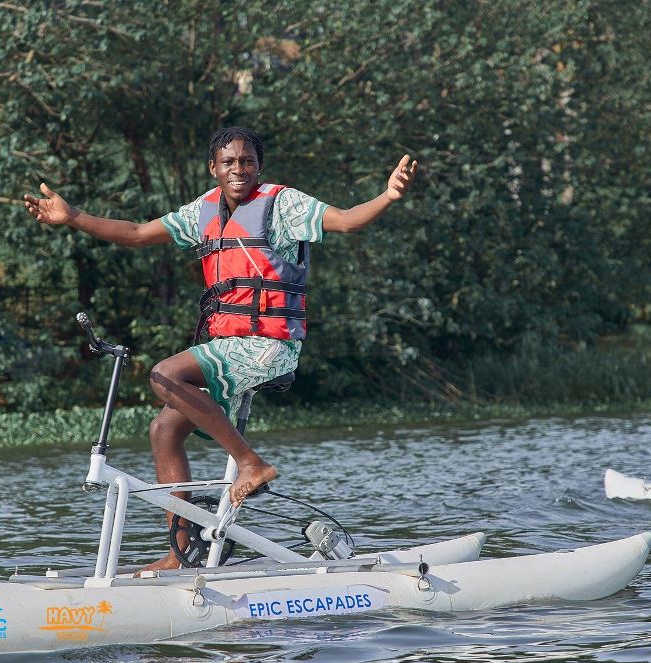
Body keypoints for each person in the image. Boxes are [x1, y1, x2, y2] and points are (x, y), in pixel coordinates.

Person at [24, 126, 417, 569]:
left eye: (247, 161)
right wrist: (72, 215)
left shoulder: (282, 205)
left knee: (163, 374)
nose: (238, 169)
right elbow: (135, 232)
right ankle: (181, 552)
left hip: (269, 345)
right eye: (229, 162)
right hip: (229, 345)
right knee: (163, 431)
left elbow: (347, 220)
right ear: (213, 168)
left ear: (258, 166)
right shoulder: (202, 212)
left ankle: (251, 464)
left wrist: (387, 196)